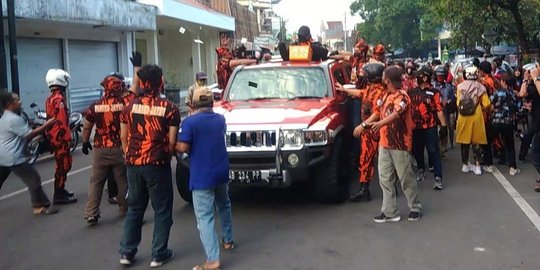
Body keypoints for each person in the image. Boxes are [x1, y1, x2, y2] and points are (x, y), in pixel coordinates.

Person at [118, 64, 180, 268]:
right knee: (162, 210)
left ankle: (127, 252)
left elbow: (124, 137)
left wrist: (130, 156)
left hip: (134, 164)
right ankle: (158, 253)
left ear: (143, 83)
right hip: (157, 163)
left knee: (135, 208)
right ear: (160, 82)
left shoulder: (129, 107)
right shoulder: (170, 109)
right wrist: (166, 155)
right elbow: (172, 143)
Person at [176, 86, 233, 270]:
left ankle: (212, 260)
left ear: (193, 103)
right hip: (221, 171)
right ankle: (228, 240)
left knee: (205, 217)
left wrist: (171, 144)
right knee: (224, 205)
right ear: (211, 102)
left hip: (202, 175)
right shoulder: (220, 119)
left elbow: (183, 147)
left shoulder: (190, 122)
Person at [355, 66, 422, 223]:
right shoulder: (385, 96)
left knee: (406, 178)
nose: (382, 79)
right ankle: (390, 211)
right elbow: (377, 112)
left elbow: (396, 114)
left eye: (384, 77)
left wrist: (380, 124)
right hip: (384, 144)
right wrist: (363, 125)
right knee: (385, 178)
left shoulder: (403, 96)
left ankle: (415, 207)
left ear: (388, 80)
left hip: (400, 144)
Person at [0, 91, 59, 215]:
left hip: (3, 156)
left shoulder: (5, 116)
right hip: (13, 157)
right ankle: (38, 206)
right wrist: (47, 124)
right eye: (17, 100)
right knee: (34, 179)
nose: (20, 102)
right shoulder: (13, 119)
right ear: (9, 104)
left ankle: (45, 203)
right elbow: (29, 135)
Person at [81, 75, 128, 225]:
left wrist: (84, 141)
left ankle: (91, 213)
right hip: (119, 148)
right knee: (122, 180)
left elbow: (87, 125)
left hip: (100, 148)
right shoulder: (125, 104)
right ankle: (124, 210)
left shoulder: (95, 105)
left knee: (96, 181)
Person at [336, 63, 386, 201]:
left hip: (378, 131)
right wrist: (344, 90)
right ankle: (364, 190)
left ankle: (390, 190)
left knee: (386, 162)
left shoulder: (381, 92)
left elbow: (377, 113)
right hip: (368, 133)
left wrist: (362, 126)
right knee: (365, 160)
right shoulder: (371, 89)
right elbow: (361, 93)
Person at [409, 66, 447, 190]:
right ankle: (421, 169)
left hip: (430, 126)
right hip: (416, 127)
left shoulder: (435, 93)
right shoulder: (411, 92)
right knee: (418, 150)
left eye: (418, 76)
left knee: (433, 151)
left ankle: (438, 177)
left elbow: (439, 110)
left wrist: (443, 126)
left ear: (424, 77)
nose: (416, 78)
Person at [45, 69, 77, 204]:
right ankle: (58, 194)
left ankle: (61, 190)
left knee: (61, 165)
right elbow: (62, 121)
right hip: (60, 138)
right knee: (64, 165)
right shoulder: (59, 99)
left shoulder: (50, 98)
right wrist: (68, 138)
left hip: (54, 137)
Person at [455, 66, 491, 175]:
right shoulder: (481, 87)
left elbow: (458, 103)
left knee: (464, 142)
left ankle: (465, 165)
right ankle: (478, 166)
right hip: (477, 116)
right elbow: (487, 103)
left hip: (463, 116)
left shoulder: (460, 86)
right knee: (477, 142)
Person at [490, 76, 521, 176]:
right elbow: (518, 107)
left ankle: (489, 164)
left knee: (488, 141)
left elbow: (490, 106)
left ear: (503, 82)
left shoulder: (497, 93)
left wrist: (495, 111)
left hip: (496, 121)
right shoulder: (514, 94)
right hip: (508, 122)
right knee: (510, 144)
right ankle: (512, 168)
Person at [517, 64, 540, 191]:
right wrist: (526, 79)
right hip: (537, 124)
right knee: (536, 153)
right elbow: (522, 93)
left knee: (536, 155)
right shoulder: (534, 85)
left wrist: (536, 78)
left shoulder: (538, 82)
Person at [478, 61, 497, 173]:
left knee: (485, 139)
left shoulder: (484, 82)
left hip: (486, 112)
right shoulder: (495, 80)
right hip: (495, 110)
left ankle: (487, 161)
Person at [434, 64, 456, 152]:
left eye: (442, 75)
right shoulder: (433, 86)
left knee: (446, 128)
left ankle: (444, 147)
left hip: (447, 110)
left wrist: (448, 101)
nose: (440, 77)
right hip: (436, 112)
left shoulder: (449, 86)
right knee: (437, 131)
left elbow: (452, 98)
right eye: (439, 75)